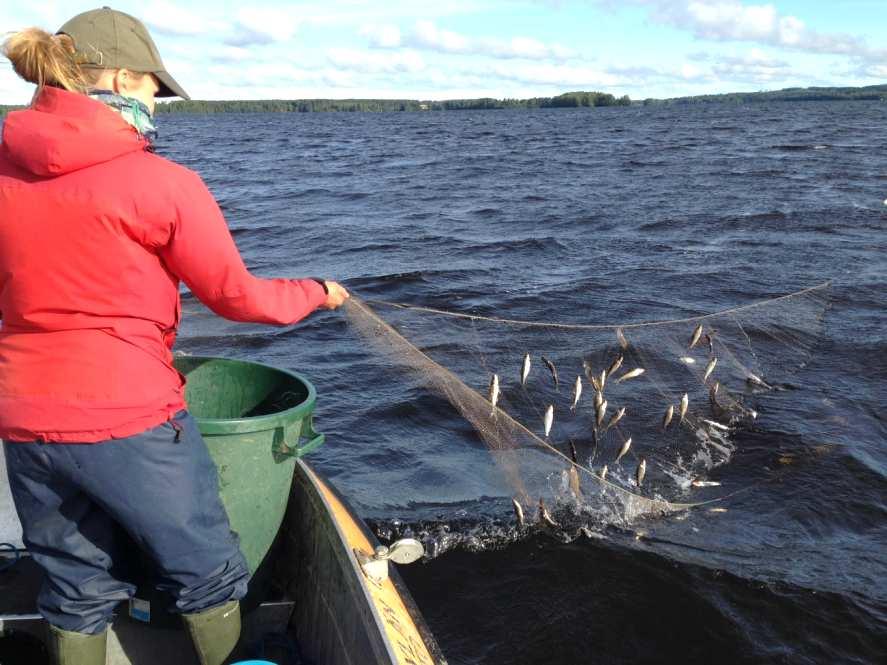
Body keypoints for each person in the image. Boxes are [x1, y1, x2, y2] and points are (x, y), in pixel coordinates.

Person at [0, 7, 349, 665]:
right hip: (128, 417)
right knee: (208, 570)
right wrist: (316, 292)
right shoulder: (165, 184)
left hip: (23, 419)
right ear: (125, 79)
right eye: (156, 88)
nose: (159, 101)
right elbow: (237, 297)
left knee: (73, 586)